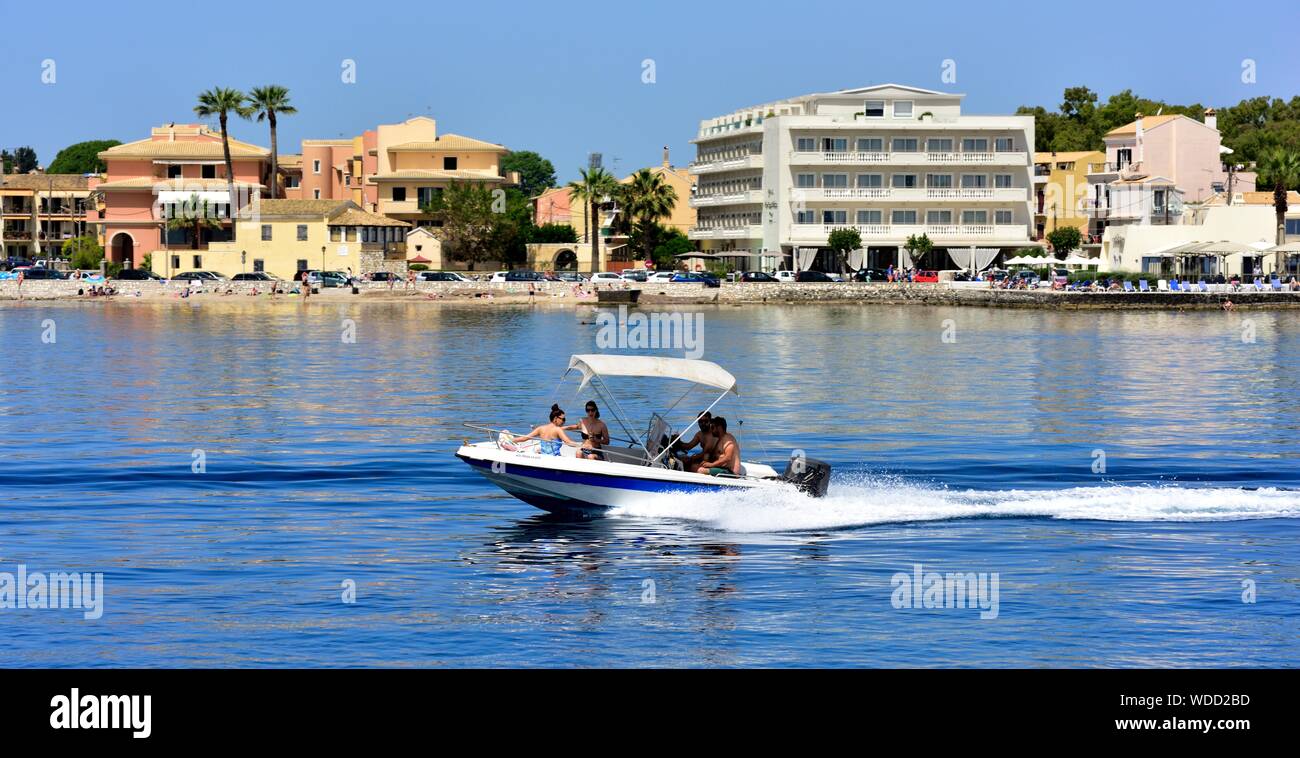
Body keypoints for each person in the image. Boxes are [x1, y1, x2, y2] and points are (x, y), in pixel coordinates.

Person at [512, 405, 582, 456]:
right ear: (555, 418)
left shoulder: (541, 428)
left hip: (543, 458)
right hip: (554, 459)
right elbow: (568, 442)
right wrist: (581, 446)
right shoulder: (558, 430)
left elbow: (524, 438)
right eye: (563, 419)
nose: (564, 421)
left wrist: (511, 440)